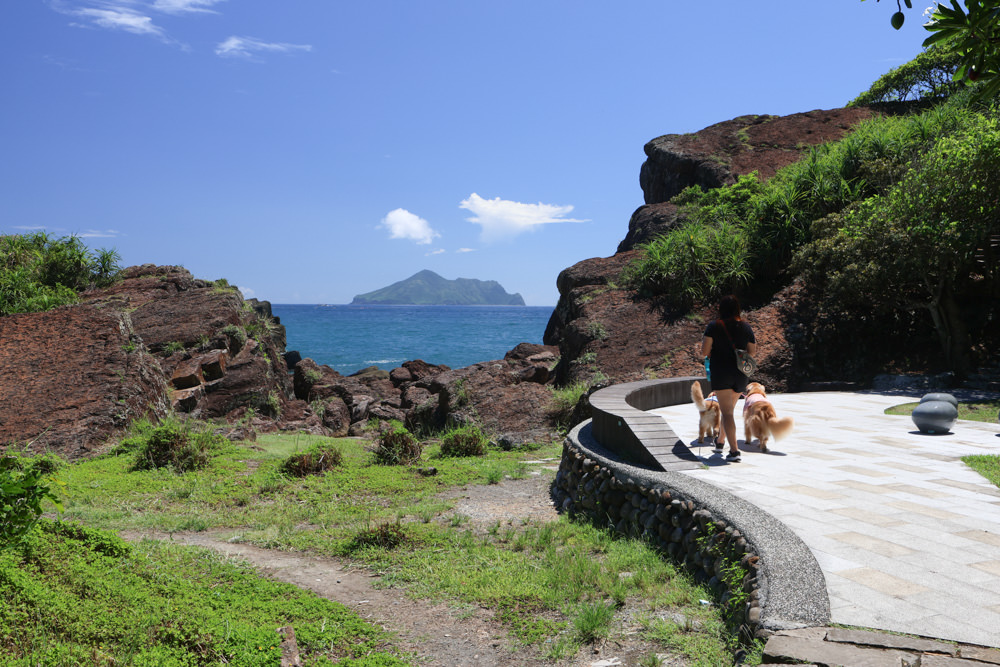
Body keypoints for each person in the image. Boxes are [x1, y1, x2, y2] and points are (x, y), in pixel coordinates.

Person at [701, 294, 757, 462]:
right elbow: (752, 353)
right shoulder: (746, 327)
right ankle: (720, 442)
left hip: (721, 372)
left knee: (727, 413)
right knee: (729, 412)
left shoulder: (713, 326)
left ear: (721, 309)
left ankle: (734, 451)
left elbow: (704, 351)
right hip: (740, 374)